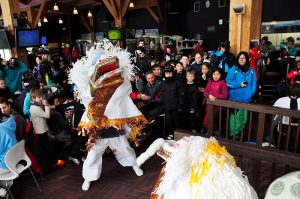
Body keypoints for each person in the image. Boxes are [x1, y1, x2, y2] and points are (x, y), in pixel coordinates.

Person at [68, 41, 148, 191]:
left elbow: (126, 91)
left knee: (125, 148)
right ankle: (88, 177)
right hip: (99, 129)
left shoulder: (120, 85)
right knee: (92, 155)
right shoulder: (91, 89)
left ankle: (134, 165)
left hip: (115, 126)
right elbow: (87, 102)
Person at [226, 52, 257, 137]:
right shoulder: (233, 69)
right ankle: (233, 134)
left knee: (244, 118)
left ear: (247, 59)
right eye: (240, 58)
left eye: (244, 58)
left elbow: (254, 83)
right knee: (235, 118)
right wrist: (239, 84)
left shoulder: (251, 70)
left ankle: (240, 132)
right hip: (234, 98)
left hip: (246, 98)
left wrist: (251, 92)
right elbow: (227, 82)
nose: (242, 60)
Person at [202, 68, 228, 133]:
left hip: (217, 106)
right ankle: (209, 132)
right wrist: (209, 95)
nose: (215, 76)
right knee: (208, 118)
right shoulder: (210, 82)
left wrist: (214, 95)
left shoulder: (223, 83)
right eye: (214, 74)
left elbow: (225, 95)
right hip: (208, 104)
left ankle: (213, 132)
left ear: (221, 75)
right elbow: (205, 92)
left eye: (218, 74)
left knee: (212, 119)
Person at [161, 65, 184, 137]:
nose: (168, 75)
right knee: (169, 122)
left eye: (170, 73)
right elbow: (162, 94)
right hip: (167, 107)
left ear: (172, 73)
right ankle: (170, 134)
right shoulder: (163, 83)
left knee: (177, 122)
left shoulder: (177, 82)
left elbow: (181, 95)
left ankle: (178, 135)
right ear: (164, 74)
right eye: (167, 73)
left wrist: (180, 105)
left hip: (176, 107)